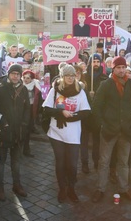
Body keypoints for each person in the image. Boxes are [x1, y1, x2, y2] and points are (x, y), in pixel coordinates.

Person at [91, 56, 131, 203]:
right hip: (109, 129)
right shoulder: (106, 84)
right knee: (104, 161)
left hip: (126, 130)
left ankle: (123, 189)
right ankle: (100, 189)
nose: (121, 70)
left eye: (123, 67)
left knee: (123, 162)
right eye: (118, 67)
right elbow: (97, 106)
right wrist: (102, 124)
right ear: (113, 69)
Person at [42, 64, 91, 203]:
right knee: (61, 162)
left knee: (73, 164)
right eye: (67, 76)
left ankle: (71, 188)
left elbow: (86, 112)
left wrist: (71, 117)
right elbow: (45, 109)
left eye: (72, 75)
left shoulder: (80, 91)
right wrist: (60, 113)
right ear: (62, 77)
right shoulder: (55, 90)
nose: (70, 78)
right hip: (56, 132)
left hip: (73, 133)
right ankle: (62, 188)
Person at [0, 64, 30, 201]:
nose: (15, 76)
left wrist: (25, 124)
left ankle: (17, 185)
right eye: (13, 73)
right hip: (4, 130)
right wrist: (3, 123)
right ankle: (0, 188)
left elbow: (27, 109)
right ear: (8, 74)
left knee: (16, 161)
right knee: (1, 161)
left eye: (18, 74)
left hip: (18, 131)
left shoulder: (23, 89)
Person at [81, 53, 108, 174]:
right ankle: (84, 163)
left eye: (98, 62)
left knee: (97, 141)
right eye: (93, 62)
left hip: (98, 114)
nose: (96, 64)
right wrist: (88, 94)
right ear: (90, 63)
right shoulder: (84, 77)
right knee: (84, 141)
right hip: (86, 114)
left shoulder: (104, 78)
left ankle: (96, 162)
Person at [22, 70, 43, 157]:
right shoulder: (19, 86)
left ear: (31, 79)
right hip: (21, 110)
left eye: (28, 78)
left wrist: (38, 112)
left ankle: (26, 150)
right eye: (24, 78)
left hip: (31, 110)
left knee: (27, 131)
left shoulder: (36, 86)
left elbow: (39, 100)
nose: (25, 80)